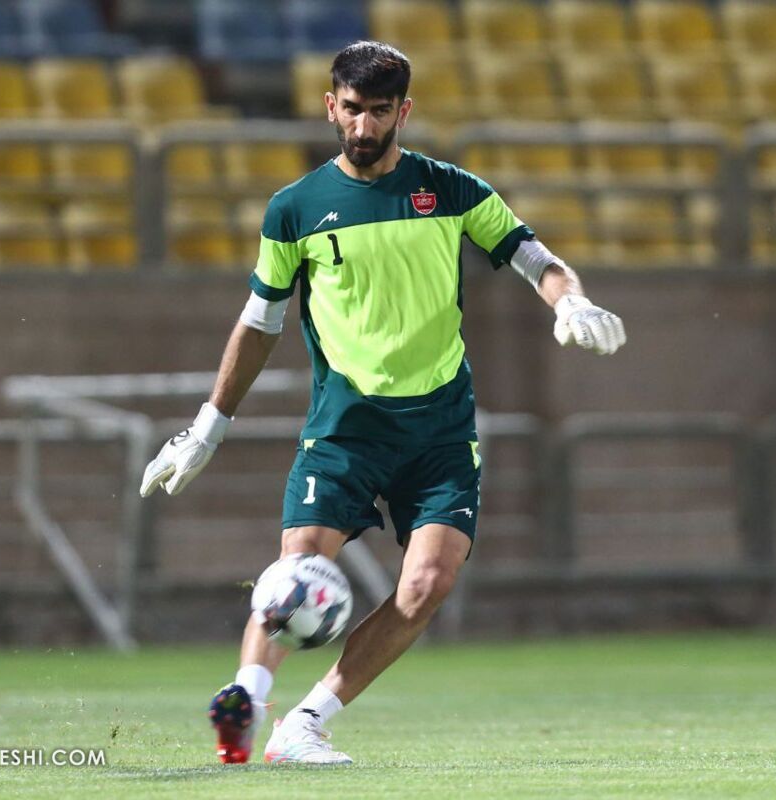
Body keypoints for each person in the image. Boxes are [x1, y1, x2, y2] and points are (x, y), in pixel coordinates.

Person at [139, 41, 626, 766]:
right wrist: (205, 431)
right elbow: (260, 323)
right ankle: (244, 701)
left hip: (439, 430)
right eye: (352, 110)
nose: (364, 127)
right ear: (330, 106)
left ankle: (305, 722)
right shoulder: (295, 210)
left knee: (428, 583)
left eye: (379, 112)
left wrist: (570, 299)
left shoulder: (451, 190)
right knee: (298, 566)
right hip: (345, 428)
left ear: (405, 111)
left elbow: (534, 256)